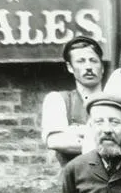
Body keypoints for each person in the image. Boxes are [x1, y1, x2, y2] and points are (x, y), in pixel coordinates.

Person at [43, 36, 104, 164]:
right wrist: (106, 141)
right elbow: (55, 141)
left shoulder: (115, 100)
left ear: (102, 67)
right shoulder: (58, 99)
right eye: (81, 61)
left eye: (93, 61)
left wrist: (78, 131)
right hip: (75, 180)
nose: (88, 67)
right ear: (70, 67)